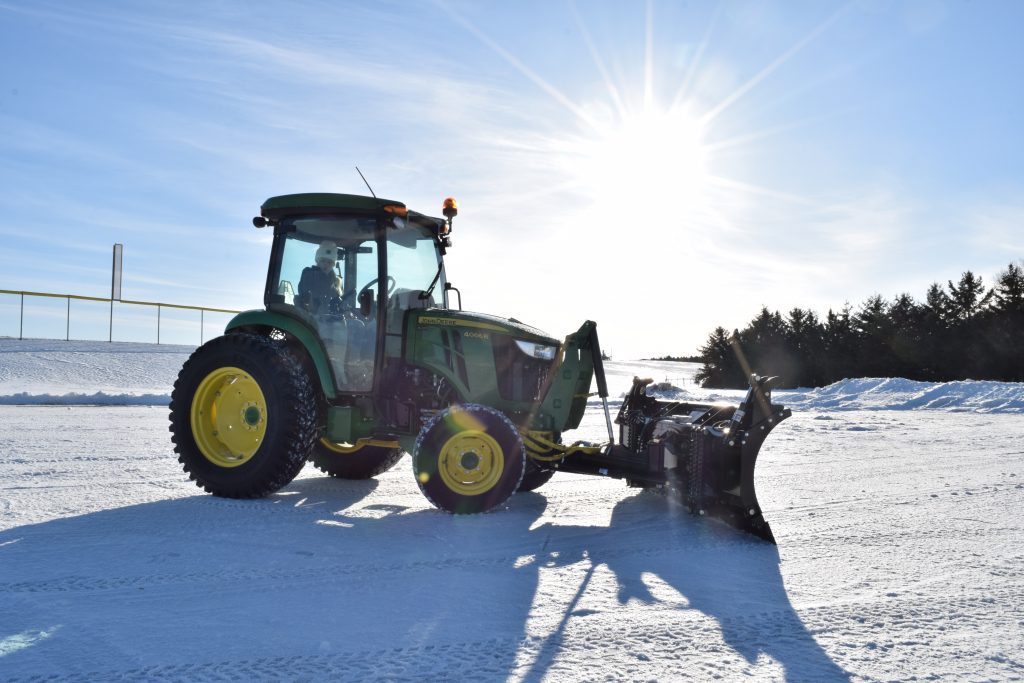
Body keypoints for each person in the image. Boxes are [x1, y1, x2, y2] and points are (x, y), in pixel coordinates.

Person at [297, 240, 343, 313]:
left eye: (329, 262)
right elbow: (303, 291)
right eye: (323, 261)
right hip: (309, 315)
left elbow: (337, 300)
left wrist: (345, 310)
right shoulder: (309, 274)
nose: (326, 264)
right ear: (317, 261)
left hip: (328, 318)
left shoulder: (335, 281)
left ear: (333, 265)